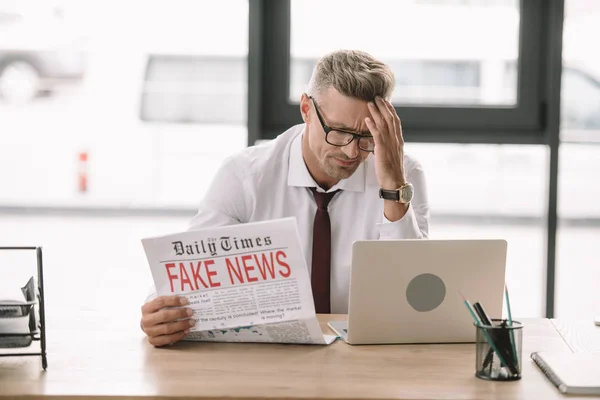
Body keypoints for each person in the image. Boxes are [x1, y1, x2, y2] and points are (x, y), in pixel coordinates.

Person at [141, 49, 430, 346]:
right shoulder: (243, 175)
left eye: (367, 136)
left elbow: (413, 296)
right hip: (268, 356)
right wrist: (160, 310)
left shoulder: (402, 173)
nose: (351, 151)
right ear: (306, 109)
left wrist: (394, 187)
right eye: (340, 132)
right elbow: (192, 269)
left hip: (363, 355)